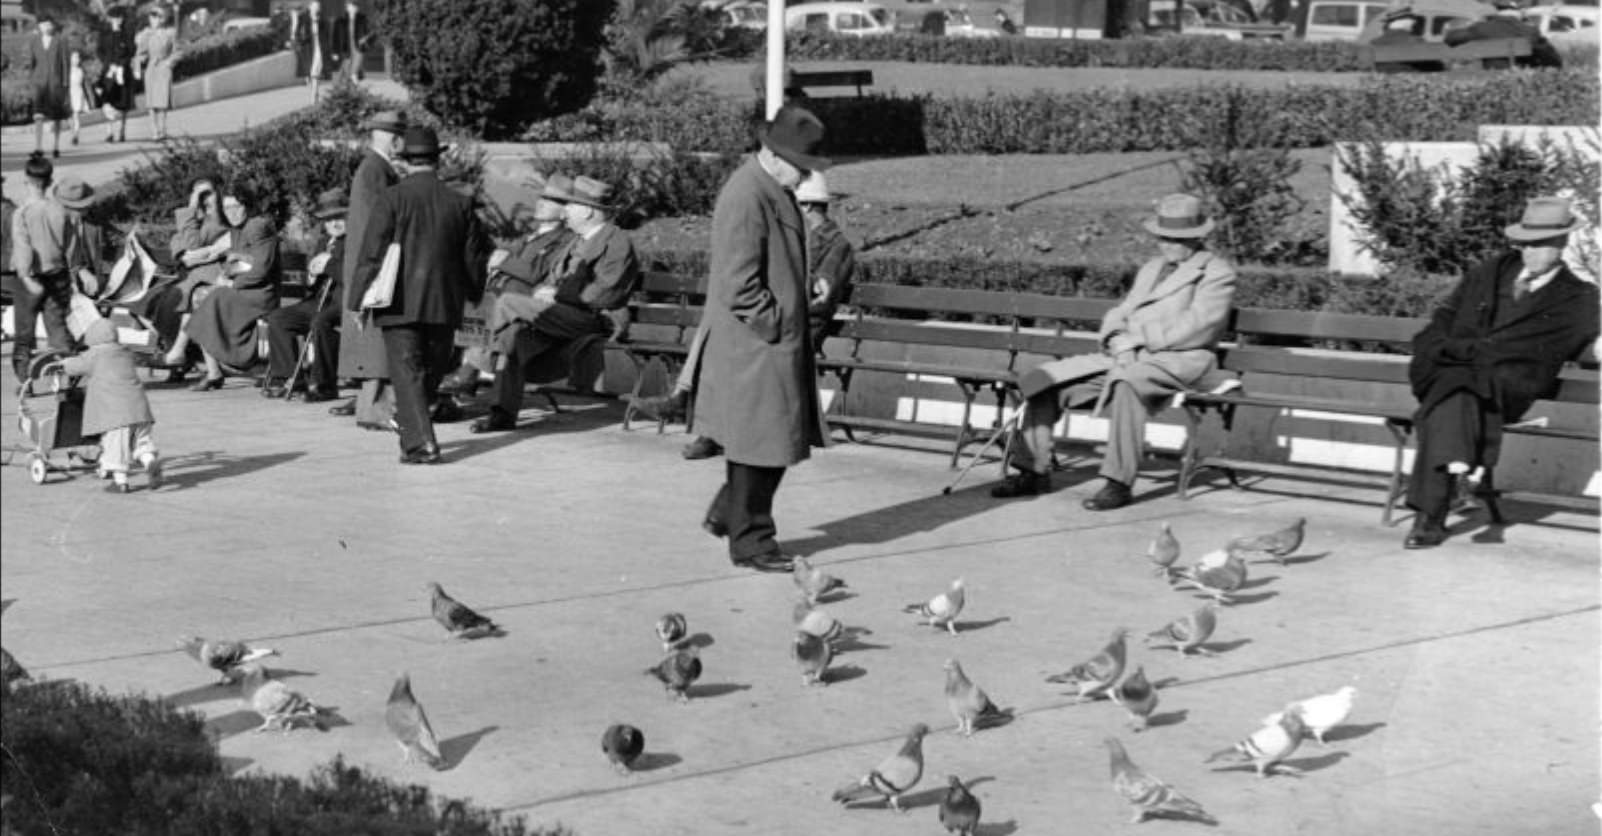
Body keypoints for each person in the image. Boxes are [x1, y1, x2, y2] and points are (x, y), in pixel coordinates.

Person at [991, 194, 1237, 511]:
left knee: (1128, 383)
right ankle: (1032, 470)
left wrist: (1138, 340)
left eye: (1177, 239)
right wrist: (1117, 336)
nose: (1167, 245)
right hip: (1126, 356)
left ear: (1197, 237)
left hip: (1180, 360)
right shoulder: (1152, 268)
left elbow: (1199, 326)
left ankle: (1118, 483)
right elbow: (1121, 311)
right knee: (1046, 379)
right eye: (1163, 237)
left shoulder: (1217, 273)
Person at [1402, 196, 1599, 549]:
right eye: (1525, 243)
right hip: (1454, 372)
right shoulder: (1489, 273)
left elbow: (1547, 349)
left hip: (1508, 386)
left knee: (1450, 396)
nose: (1529, 252)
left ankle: (1430, 515)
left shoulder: (1578, 297)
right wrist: (1441, 349)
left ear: (1563, 244)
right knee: (1458, 392)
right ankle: (1459, 474)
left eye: (1540, 245)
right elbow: (1444, 320)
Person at [633, 170, 856, 461]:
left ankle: (692, 409)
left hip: (797, 324)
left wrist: (784, 299)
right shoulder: (789, 234)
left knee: (738, 346)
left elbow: (820, 295)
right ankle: (703, 422)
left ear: (808, 206)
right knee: (721, 331)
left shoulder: (835, 244)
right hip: (769, 316)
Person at [695, 105, 832, 574]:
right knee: (763, 445)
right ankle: (752, 542)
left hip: (766, 342)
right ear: (773, 155)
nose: (806, 178)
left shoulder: (766, 186)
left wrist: (800, 284)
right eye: (802, 167)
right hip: (757, 345)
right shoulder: (748, 194)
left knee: (769, 442)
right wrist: (776, 322)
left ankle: (728, 515)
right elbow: (739, 282)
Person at [351, 125, 488, 464]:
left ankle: (420, 443)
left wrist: (357, 301)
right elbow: (474, 255)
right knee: (429, 370)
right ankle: (414, 429)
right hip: (445, 301)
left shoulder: (392, 198)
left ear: (404, 160)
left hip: (398, 300)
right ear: (437, 160)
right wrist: (474, 292)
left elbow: (371, 254)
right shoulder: (460, 202)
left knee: (408, 371)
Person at [471, 176, 639, 433]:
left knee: (507, 302)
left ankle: (471, 366)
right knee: (512, 339)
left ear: (589, 211)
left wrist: (558, 295)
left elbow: (608, 291)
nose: (566, 210)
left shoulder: (617, 242)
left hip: (595, 319)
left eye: (571, 205)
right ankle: (502, 414)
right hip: (560, 316)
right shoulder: (575, 240)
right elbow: (548, 279)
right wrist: (544, 292)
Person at [440, 173, 577, 400]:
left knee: (484, 320)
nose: (541, 202)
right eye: (542, 197)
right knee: (456, 310)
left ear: (565, 212)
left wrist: (504, 260)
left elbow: (541, 271)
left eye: (552, 200)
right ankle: (449, 386)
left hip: (523, 305)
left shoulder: (564, 239)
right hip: (496, 298)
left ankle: (467, 374)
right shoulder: (532, 235)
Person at [334, 110, 409, 430]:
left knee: (373, 341)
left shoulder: (373, 168)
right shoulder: (376, 170)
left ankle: (370, 409)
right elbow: (377, 225)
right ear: (394, 138)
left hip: (367, 265)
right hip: (377, 266)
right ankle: (377, 410)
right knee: (377, 341)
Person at [263, 188, 348, 401]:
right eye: (328, 220)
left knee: (321, 321)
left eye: (339, 218)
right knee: (279, 318)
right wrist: (311, 275)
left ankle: (325, 385)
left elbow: (354, 275)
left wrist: (329, 264)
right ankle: (290, 377)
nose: (334, 224)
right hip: (319, 300)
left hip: (342, 301)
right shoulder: (323, 242)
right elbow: (311, 286)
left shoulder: (355, 242)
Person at [59, 319, 162, 494]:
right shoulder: (126, 352)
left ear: (92, 338)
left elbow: (75, 366)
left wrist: (63, 363)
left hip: (115, 415)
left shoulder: (94, 354)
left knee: (116, 449)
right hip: (139, 410)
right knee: (141, 443)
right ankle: (149, 461)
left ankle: (120, 482)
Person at [184, 215, 282, 391]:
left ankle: (218, 368)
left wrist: (231, 283)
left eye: (236, 206)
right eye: (228, 207)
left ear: (247, 207)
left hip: (259, 295)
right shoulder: (238, 230)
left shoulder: (258, 226)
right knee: (202, 296)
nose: (232, 212)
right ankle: (214, 371)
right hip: (245, 290)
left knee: (208, 297)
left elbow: (261, 269)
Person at [9, 154, 78, 381]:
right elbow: (71, 246)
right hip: (58, 274)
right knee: (57, 328)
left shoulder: (22, 213)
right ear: (49, 181)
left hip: (30, 278)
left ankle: (25, 381)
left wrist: (27, 277)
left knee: (25, 333)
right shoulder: (60, 210)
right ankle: (65, 377)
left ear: (27, 180)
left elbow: (23, 247)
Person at [157, 182, 240, 369]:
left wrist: (192, 208)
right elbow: (181, 250)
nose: (203, 199)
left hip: (215, 278)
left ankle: (181, 353)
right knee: (163, 300)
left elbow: (192, 246)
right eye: (197, 194)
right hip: (194, 278)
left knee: (191, 297)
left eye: (207, 193)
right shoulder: (198, 222)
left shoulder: (219, 222)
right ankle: (187, 356)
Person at [1443, 0, 1563, 68]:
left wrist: (1474, 23)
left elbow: (1450, 39)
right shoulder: (1529, 31)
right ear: (1518, 12)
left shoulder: (1481, 28)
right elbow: (1554, 60)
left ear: (1497, 10)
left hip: (1490, 79)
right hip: (1520, 81)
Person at [24, 16, 72, 158]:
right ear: (39, 26)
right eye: (43, 25)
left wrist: (65, 83)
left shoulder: (60, 41)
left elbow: (65, 63)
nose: (46, 27)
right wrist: (31, 81)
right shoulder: (34, 41)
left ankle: (56, 146)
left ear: (52, 26)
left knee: (56, 116)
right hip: (39, 83)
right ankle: (38, 147)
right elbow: (31, 63)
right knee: (38, 116)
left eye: (48, 24)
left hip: (55, 83)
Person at [133, 5, 179, 140]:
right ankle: (154, 132)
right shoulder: (146, 35)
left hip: (163, 69)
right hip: (151, 69)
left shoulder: (170, 33)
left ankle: (163, 129)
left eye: (158, 17)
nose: (155, 20)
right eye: (153, 17)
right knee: (152, 103)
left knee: (163, 102)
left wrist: (169, 62)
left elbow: (178, 51)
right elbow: (140, 54)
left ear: (163, 19)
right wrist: (138, 65)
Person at [96, 6, 136, 143]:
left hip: (123, 71)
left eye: (120, 17)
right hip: (109, 71)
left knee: (123, 103)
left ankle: (122, 131)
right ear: (110, 19)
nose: (118, 20)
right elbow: (100, 51)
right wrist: (108, 64)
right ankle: (110, 131)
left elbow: (131, 52)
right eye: (115, 18)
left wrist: (121, 65)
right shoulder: (105, 35)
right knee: (109, 100)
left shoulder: (127, 34)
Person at [329, 1, 371, 81]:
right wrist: (334, 52)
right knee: (348, 73)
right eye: (351, 6)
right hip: (346, 50)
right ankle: (353, 91)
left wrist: (365, 39)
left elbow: (370, 32)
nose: (353, 8)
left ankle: (357, 90)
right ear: (347, 8)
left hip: (359, 49)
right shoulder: (340, 21)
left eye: (355, 6)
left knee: (354, 72)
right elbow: (335, 38)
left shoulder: (363, 19)